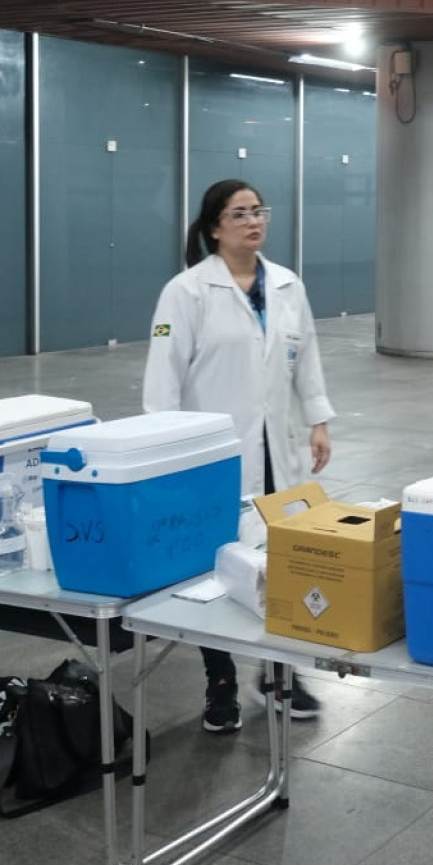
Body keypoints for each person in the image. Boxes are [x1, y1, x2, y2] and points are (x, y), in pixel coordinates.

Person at [145, 178, 335, 732]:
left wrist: (317, 421)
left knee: (284, 558)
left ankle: (279, 672)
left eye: (259, 211)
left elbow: (308, 359)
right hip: (216, 457)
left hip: (281, 452)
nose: (254, 221)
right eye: (239, 214)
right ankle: (220, 679)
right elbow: (162, 382)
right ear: (213, 228)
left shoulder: (287, 285)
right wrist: (167, 454)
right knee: (219, 567)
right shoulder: (185, 292)